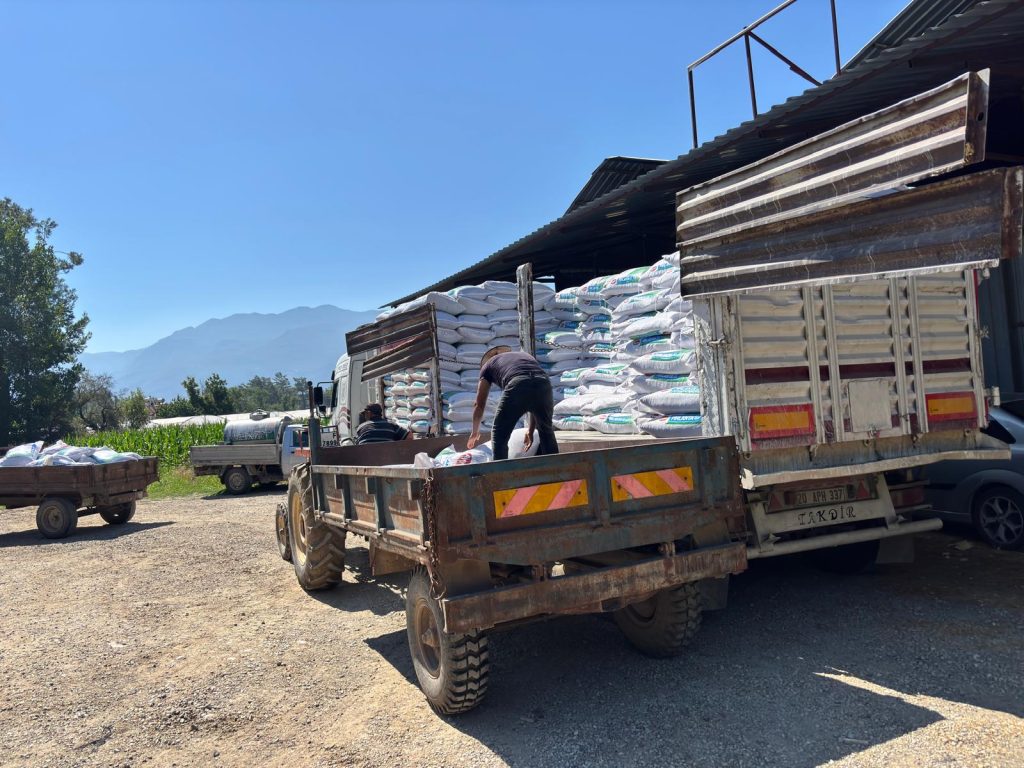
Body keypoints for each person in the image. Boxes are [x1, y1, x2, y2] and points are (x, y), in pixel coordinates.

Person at [467, 346, 559, 461]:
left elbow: (479, 404)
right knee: (546, 431)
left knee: (499, 434)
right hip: (543, 383)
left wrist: (475, 432)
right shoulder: (525, 356)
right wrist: (530, 430)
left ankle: (500, 471)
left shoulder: (488, 366)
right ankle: (557, 468)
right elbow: (534, 402)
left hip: (518, 384)